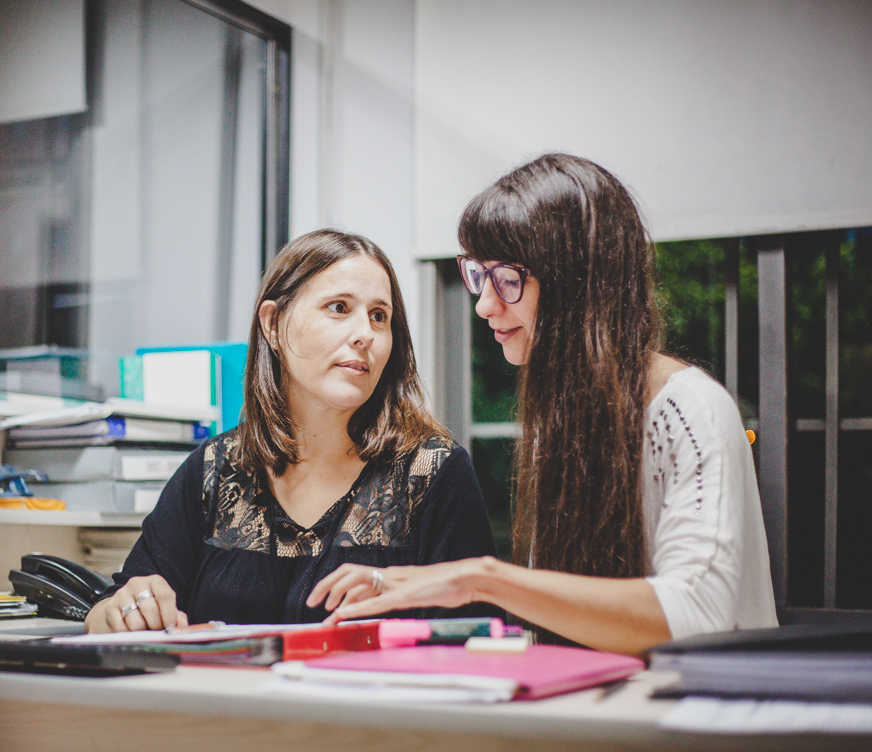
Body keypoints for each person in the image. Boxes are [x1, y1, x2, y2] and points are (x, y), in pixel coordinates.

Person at [308, 154, 778, 656]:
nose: (485, 305)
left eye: (508, 278)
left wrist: (483, 579)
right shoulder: (562, 418)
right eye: (477, 275)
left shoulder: (691, 408)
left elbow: (696, 614)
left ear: (580, 283)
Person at [85, 229, 497, 632]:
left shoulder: (433, 473)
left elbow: (474, 639)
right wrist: (120, 611)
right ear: (273, 323)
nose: (364, 334)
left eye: (379, 316)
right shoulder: (212, 470)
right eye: (338, 308)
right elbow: (117, 606)